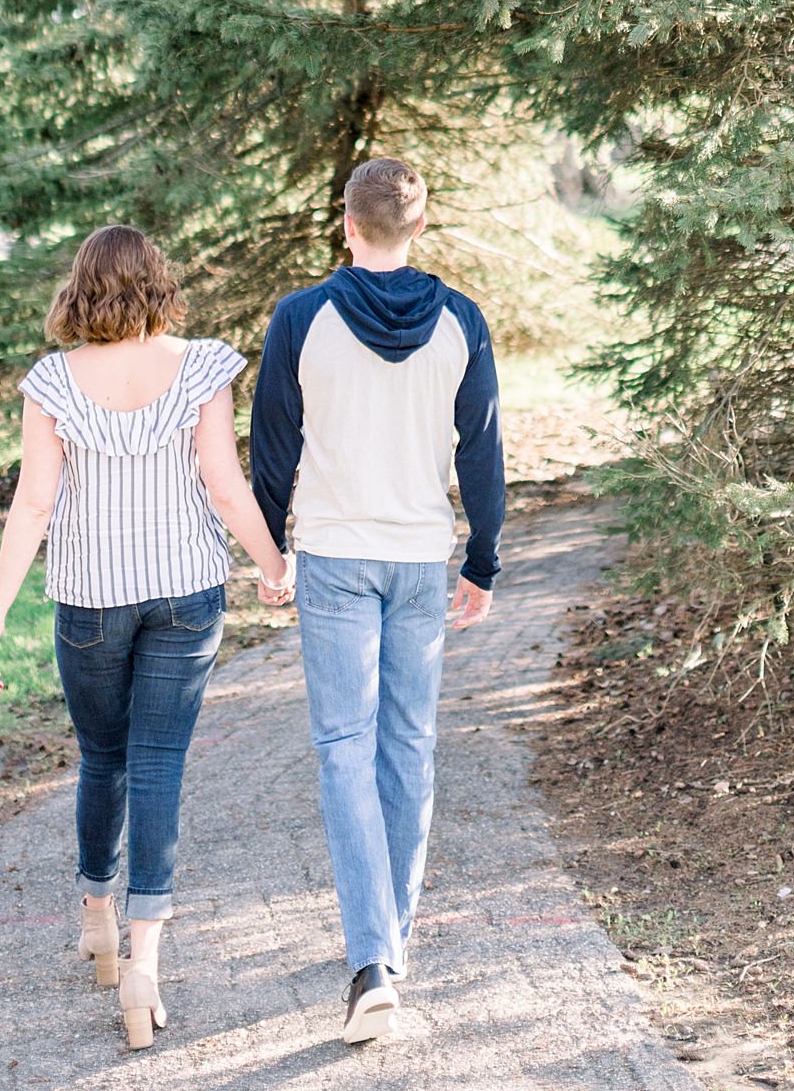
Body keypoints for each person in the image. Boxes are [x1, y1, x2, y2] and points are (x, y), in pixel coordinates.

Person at [0, 224, 294, 1049]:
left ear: (80, 288)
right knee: (158, 765)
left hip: (88, 601)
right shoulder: (203, 366)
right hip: (185, 592)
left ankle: (97, 918)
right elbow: (223, 484)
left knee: (102, 759)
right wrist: (272, 562)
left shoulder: (52, 380)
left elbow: (35, 504)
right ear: (158, 283)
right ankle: (145, 962)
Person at [249, 154, 504, 1045]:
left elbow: (273, 446)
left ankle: (372, 965)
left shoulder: (300, 319)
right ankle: (384, 956)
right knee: (409, 748)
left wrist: (267, 549)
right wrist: (483, 560)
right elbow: (481, 453)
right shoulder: (461, 323)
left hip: (334, 560)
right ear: (419, 228)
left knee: (344, 752)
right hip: (416, 560)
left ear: (346, 225)